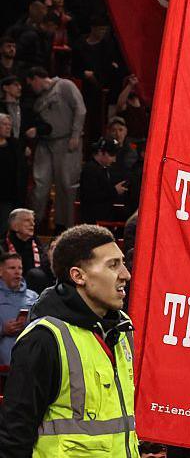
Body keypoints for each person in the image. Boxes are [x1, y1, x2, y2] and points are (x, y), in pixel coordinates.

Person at [0, 224, 138, 458]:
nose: (126, 274)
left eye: (123, 264)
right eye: (113, 265)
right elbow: (15, 430)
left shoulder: (124, 331)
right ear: (78, 276)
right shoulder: (44, 338)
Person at [24, 67, 86, 232]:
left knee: (66, 184)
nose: (31, 89)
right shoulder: (38, 100)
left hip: (67, 142)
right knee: (40, 183)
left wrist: (75, 134)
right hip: (45, 143)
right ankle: (33, 224)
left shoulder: (64, 85)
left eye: (31, 84)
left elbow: (80, 109)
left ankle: (66, 226)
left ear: (37, 78)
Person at [0, 252, 38, 367]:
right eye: (12, 268)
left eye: (20, 268)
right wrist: (3, 330)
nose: (17, 272)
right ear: (0, 271)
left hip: (28, 364)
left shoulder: (34, 296)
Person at [78, 137, 127, 224]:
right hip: (93, 221)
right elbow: (91, 196)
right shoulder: (90, 170)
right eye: (112, 155)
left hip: (102, 219)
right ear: (101, 152)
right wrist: (114, 191)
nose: (114, 159)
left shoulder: (102, 169)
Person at [4, 208, 52, 292]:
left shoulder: (37, 244)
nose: (32, 224)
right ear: (14, 226)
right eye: (27, 220)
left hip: (37, 290)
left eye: (33, 221)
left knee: (36, 275)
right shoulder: (3, 246)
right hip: (8, 290)